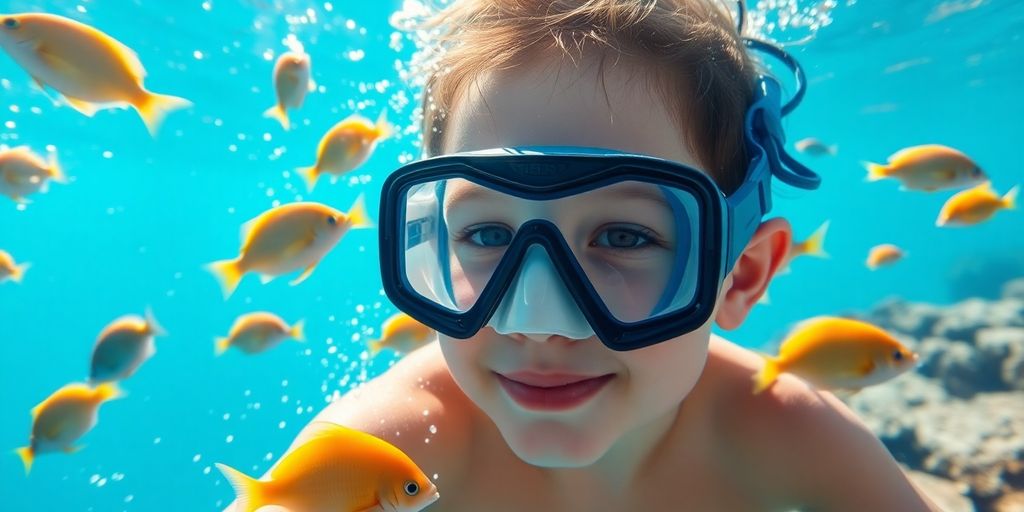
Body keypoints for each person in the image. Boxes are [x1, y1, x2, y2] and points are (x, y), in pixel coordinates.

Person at [227, 0, 939, 510]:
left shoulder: (788, 432)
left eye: (624, 237)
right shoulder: (388, 452)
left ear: (741, 275)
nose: (539, 318)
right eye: (488, 235)